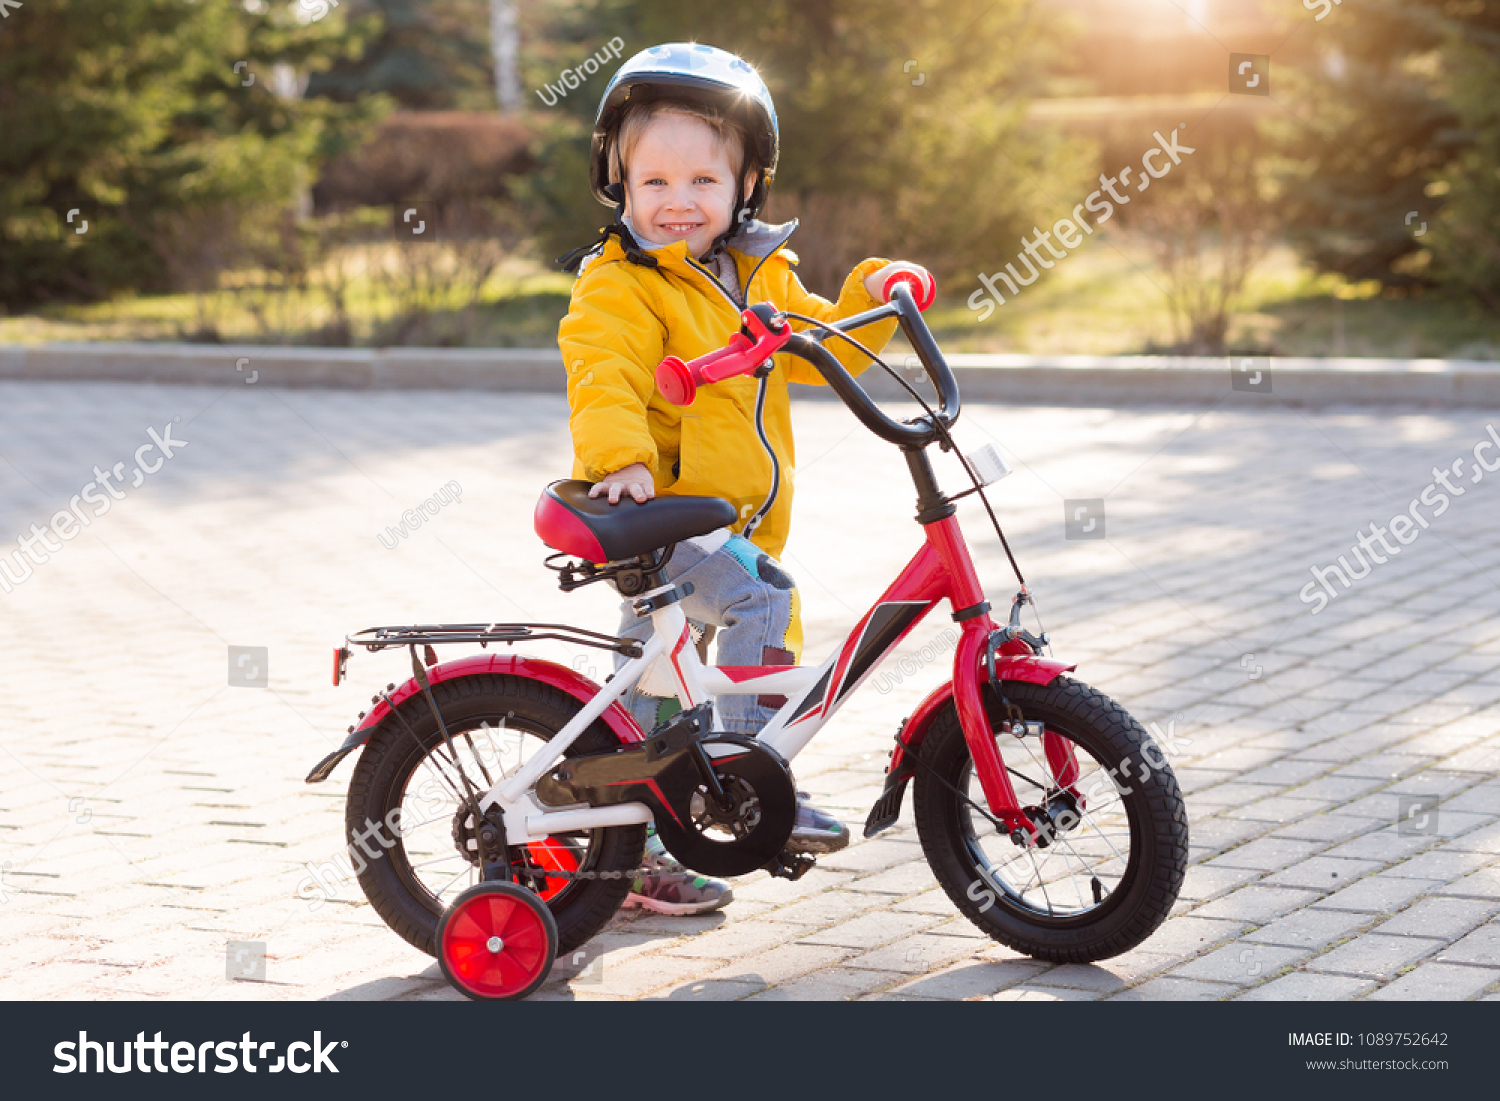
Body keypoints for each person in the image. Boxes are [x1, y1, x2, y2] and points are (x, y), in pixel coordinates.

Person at [557, 43, 931, 915]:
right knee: (765, 602)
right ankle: (744, 779)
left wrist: (876, 291)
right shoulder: (621, 285)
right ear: (618, 183)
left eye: (702, 181)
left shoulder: (755, 273)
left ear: (746, 186)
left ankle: (620, 846)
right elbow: (599, 369)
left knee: (645, 686)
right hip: (662, 510)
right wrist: (623, 462)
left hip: (727, 519)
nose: (678, 201)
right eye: (653, 182)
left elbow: (817, 348)